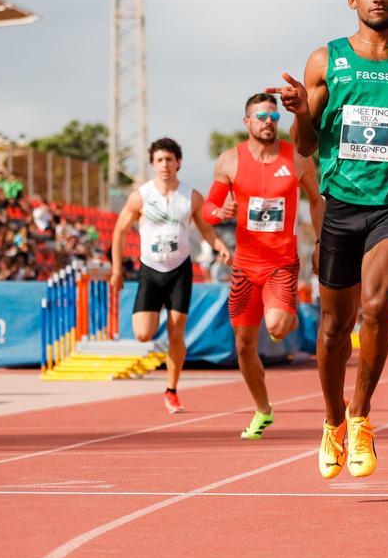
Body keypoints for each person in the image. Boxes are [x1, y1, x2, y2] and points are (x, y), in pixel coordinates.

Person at [270, 0, 388, 478]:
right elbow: (304, 145)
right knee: (332, 327)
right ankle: (332, 423)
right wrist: (301, 111)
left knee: (376, 304)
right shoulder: (327, 60)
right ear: (353, 0)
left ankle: (362, 415)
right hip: (342, 203)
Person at [202, 93, 324, 440]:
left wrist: (319, 243)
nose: (268, 122)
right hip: (244, 266)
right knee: (243, 346)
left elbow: (316, 202)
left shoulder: (298, 158)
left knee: (278, 326)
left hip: (281, 264)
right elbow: (209, 208)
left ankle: (285, 311)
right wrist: (219, 212)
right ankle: (263, 409)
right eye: (261, 116)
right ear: (248, 122)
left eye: (273, 116)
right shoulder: (229, 161)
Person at [110, 138, 231, 414]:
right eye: (159, 160)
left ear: (179, 163)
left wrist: (220, 246)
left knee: (177, 333)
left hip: (179, 270)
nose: (165, 165)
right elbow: (118, 231)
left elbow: (206, 229)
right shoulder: (141, 196)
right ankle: (163, 337)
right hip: (150, 270)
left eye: (169, 159)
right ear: (152, 164)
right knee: (143, 333)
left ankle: (172, 390)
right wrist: (117, 269)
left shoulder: (191, 196)